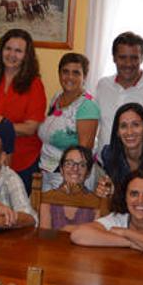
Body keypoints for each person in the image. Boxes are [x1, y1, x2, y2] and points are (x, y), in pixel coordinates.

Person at [0, 29, 47, 193]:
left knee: (18, 213)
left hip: (23, 160)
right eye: (8, 48)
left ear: (26, 56)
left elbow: (30, 128)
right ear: (1, 50)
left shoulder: (34, 84)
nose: (12, 54)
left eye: (18, 51)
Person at [94, 31, 143, 152]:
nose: (128, 64)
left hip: (139, 169)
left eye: (134, 58)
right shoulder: (103, 85)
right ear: (114, 58)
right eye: (122, 57)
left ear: (142, 58)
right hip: (102, 166)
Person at [37, 52, 100, 191]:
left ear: (84, 76)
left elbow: (84, 152)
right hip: (46, 170)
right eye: (65, 72)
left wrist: (71, 182)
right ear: (59, 74)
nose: (70, 77)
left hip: (69, 177)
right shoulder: (57, 97)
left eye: (76, 73)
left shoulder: (87, 106)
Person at [39, 146, 101, 232]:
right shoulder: (48, 199)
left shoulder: (96, 203)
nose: (75, 169)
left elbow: (95, 236)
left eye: (82, 165)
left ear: (88, 173)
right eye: (69, 163)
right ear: (61, 169)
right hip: (52, 245)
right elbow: (44, 238)